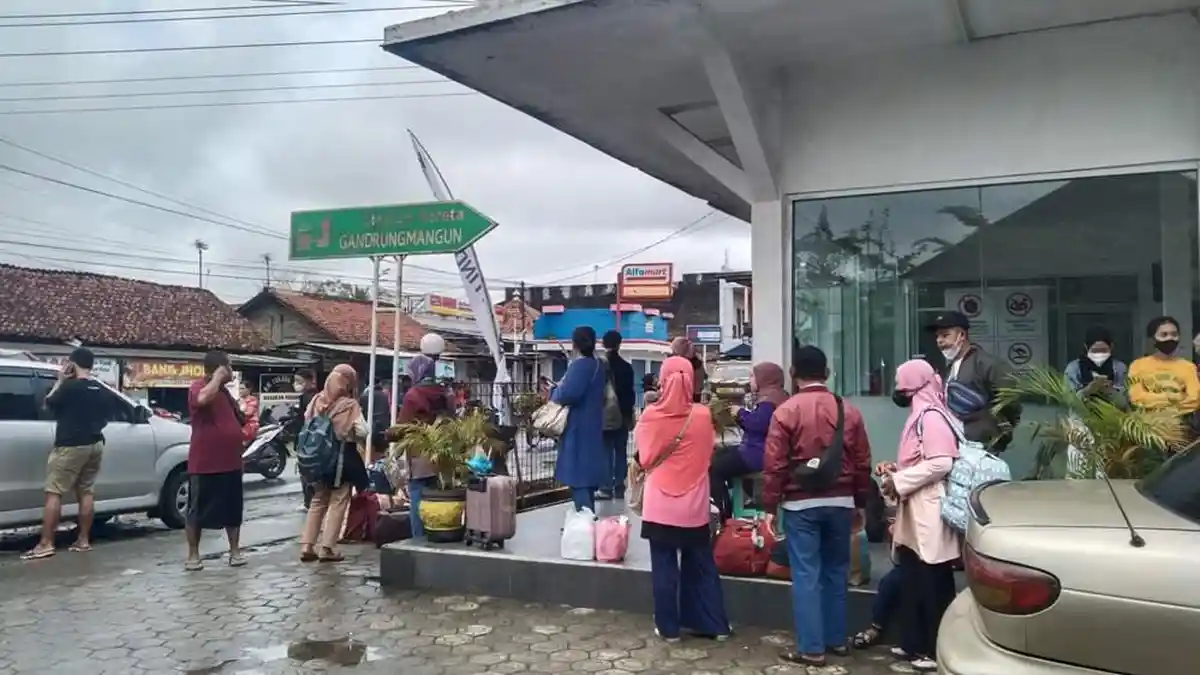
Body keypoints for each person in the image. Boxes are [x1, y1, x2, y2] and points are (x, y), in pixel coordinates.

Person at [761, 344, 872, 668]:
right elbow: (862, 461)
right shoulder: (847, 411)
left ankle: (811, 648)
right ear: (826, 373)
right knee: (837, 571)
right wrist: (860, 501)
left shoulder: (786, 411)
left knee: (806, 574)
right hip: (841, 503)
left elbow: (775, 464)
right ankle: (837, 640)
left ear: (794, 375)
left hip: (800, 505)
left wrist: (770, 506)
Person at [634, 356, 731, 642]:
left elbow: (645, 458)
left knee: (664, 566)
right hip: (694, 505)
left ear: (663, 380)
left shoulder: (651, 415)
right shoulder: (702, 415)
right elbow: (708, 455)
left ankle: (669, 628)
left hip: (660, 505)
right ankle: (713, 624)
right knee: (701, 564)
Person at [879, 359, 961, 673]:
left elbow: (941, 462)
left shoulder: (931, 416)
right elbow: (922, 460)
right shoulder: (922, 414)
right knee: (914, 575)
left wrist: (899, 481)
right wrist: (897, 471)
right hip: (917, 507)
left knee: (932, 579)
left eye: (901, 383)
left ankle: (932, 647)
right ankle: (913, 643)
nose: (898, 390)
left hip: (930, 507)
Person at [22, 347, 114, 561]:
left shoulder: (69, 387)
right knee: (86, 491)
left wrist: (60, 380)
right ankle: (83, 540)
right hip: (95, 443)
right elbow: (106, 418)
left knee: (54, 491)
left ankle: (45, 544)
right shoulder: (99, 388)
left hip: (70, 445)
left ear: (72, 364)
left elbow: (46, 404)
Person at [185, 351, 248, 571]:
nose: (232, 371)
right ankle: (194, 555)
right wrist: (217, 378)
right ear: (220, 368)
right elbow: (202, 400)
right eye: (229, 367)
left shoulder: (224, 393)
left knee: (233, 510)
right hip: (205, 463)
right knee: (197, 510)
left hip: (230, 462)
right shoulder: (199, 387)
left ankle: (235, 550)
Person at [299, 364, 369, 562]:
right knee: (338, 500)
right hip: (339, 458)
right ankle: (327, 548)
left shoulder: (315, 400)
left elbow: (307, 421)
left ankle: (307, 545)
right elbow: (364, 431)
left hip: (316, 458)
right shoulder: (348, 404)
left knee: (318, 500)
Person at [929, 311, 1021, 451]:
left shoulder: (987, 364)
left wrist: (997, 431)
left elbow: (1011, 401)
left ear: (962, 335)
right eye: (937, 336)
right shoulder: (949, 368)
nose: (939, 341)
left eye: (945, 335)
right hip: (956, 444)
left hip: (982, 445)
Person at [708, 361, 787, 520]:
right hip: (759, 450)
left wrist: (740, 413)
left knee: (714, 468)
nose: (749, 380)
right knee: (719, 455)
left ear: (764, 379)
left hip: (758, 454)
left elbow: (758, 425)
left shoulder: (768, 401)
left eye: (753, 376)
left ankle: (723, 512)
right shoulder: (776, 396)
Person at [551, 326, 609, 513]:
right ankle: (588, 518)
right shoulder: (599, 365)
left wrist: (554, 390)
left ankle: (585, 522)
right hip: (594, 424)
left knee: (579, 478)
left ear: (575, 343)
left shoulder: (579, 366)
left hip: (578, 426)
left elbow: (568, 394)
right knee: (588, 477)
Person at [397, 354, 455, 538]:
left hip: (420, 452)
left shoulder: (413, 395)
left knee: (417, 495)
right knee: (437, 496)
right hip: (443, 452)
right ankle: (437, 531)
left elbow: (402, 425)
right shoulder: (445, 392)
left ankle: (419, 537)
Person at [1128, 316, 1200, 416]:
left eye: (1174, 334)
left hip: (1180, 426)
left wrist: (1171, 411)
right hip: (1147, 426)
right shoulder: (1137, 365)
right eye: (1164, 335)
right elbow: (1136, 397)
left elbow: (1194, 399)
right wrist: (1175, 397)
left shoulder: (1188, 367)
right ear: (1152, 338)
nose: (1170, 338)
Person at [598, 330, 635, 500]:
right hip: (622, 415)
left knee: (605, 452)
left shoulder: (600, 366)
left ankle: (605, 488)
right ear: (620, 344)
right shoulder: (626, 367)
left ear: (603, 344)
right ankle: (619, 486)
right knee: (620, 452)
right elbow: (630, 394)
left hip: (604, 416)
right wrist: (628, 414)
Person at [1064, 326, 1128, 401]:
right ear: (1086, 347)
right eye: (1095, 351)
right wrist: (1088, 390)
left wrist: (1109, 391)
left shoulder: (1120, 368)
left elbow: (1125, 403)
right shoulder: (1073, 369)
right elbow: (1068, 402)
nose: (1099, 354)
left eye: (1104, 350)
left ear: (1111, 347)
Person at [295, 369, 319, 512]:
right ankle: (309, 501)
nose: (296, 384)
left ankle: (309, 502)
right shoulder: (310, 396)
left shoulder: (309, 397)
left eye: (300, 381)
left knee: (307, 472)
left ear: (310, 381)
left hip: (307, 439)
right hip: (307, 439)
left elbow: (307, 421)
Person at [359, 377, 390, 463]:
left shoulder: (364, 396)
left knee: (369, 454)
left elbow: (361, 413)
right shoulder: (385, 396)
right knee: (381, 454)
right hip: (384, 427)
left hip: (370, 428)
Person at [671, 337, 708, 402]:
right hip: (696, 393)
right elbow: (705, 377)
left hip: (682, 395)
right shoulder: (699, 364)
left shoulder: (678, 362)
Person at [237, 380, 260, 444]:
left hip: (250, 428)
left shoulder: (252, 400)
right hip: (240, 426)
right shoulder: (238, 401)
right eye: (239, 388)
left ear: (249, 389)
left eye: (242, 388)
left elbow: (247, 414)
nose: (240, 390)